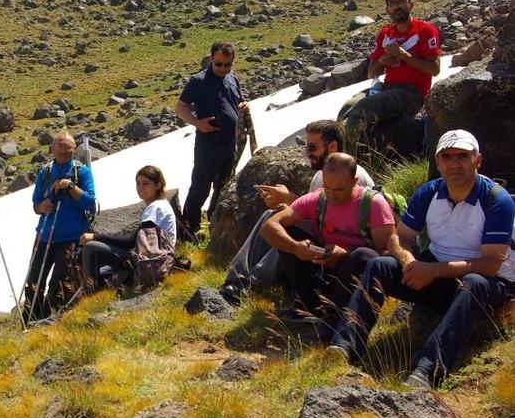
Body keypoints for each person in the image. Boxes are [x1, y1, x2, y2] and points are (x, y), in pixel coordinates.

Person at [327, 130, 515, 389]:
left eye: (463, 156)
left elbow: (492, 263)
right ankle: (344, 346)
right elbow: (399, 237)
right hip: (437, 274)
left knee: (474, 282)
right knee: (380, 265)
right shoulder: (430, 192)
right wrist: (408, 261)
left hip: (488, 285)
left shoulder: (497, 200)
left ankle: (427, 369)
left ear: (478, 160)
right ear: (437, 162)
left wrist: (433, 270)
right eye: (446, 156)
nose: (454, 163)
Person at [220, 120, 374, 303]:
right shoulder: (320, 176)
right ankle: (237, 280)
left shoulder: (355, 179)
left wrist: (289, 199)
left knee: (286, 233)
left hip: (340, 255)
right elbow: (318, 215)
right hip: (322, 245)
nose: (308, 153)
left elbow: (338, 225)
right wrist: (289, 208)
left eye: (312, 147)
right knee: (272, 218)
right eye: (306, 147)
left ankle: (252, 283)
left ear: (333, 146)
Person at [261, 153, 395, 340]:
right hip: (326, 271)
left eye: (339, 189)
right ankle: (308, 307)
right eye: (327, 187)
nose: (331, 195)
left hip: (358, 280)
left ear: (354, 181)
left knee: (363, 256)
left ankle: (336, 316)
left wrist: (346, 255)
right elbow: (269, 226)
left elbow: (389, 254)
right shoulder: (317, 199)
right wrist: (295, 247)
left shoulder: (373, 204)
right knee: (289, 234)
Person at [338, 0, 441, 155]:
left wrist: (403, 54)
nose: (397, 7)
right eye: (392, 4)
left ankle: (345, 159)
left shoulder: (425, 30)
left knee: (364, 106)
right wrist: (381, 62)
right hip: (386, 87)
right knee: (348, 107)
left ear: (411, 5)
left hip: (413, 92)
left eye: (401, 2)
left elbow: (434, 69)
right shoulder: (386, 34)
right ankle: (346, 149)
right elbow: (372, 72)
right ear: (387, 11)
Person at [175, 40, 254, 235]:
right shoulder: (199, 81)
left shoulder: (232, 78)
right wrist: (198, 123)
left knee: (223, 188)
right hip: (208, 145)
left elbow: (238, 101)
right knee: (200, 188)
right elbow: (180, 107)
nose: (223, 68)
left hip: (230, 144)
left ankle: (214, 226)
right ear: (211, 59)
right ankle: (189, 231)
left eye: (227, 65)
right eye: (219, 64)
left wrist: (243, 107)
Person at [23, 133, 97, 324]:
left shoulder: (82, 172)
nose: (64, 150)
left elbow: (90, 202)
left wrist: (70, 186)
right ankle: (30, 319)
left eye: (68, 146)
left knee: (58, 283)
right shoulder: (45, 172)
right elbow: (35, 204)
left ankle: (48, 322)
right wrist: (42, 207)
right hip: (45, 236)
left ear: (74, 149)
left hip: (71, 238)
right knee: (33, 283)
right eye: (60, 146)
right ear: (53, 148)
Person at [79, 165, 177, 288]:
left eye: (145, 183)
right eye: (138, 183)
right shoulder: (159, 205)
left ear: (158, 185)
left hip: (153, 260)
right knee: (104, 272)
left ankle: (91, 295)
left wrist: (95, 236)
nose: (140, 188)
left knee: (91, 247)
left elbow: (130, 242)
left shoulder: (157, 207)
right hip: (152, 257)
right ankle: (105, 288)